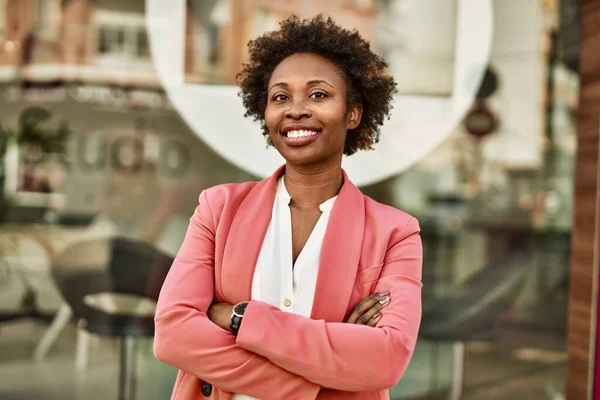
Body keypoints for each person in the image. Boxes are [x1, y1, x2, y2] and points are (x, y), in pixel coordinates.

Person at [153, 15, 423, 400]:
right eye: (280, 97)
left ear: (353, 113)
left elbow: (386, 359)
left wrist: (238, 317)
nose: (295, 110)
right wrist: (327, 370)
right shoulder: (219, 209)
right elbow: (174, 335)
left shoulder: (395, 233)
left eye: (318, 95)